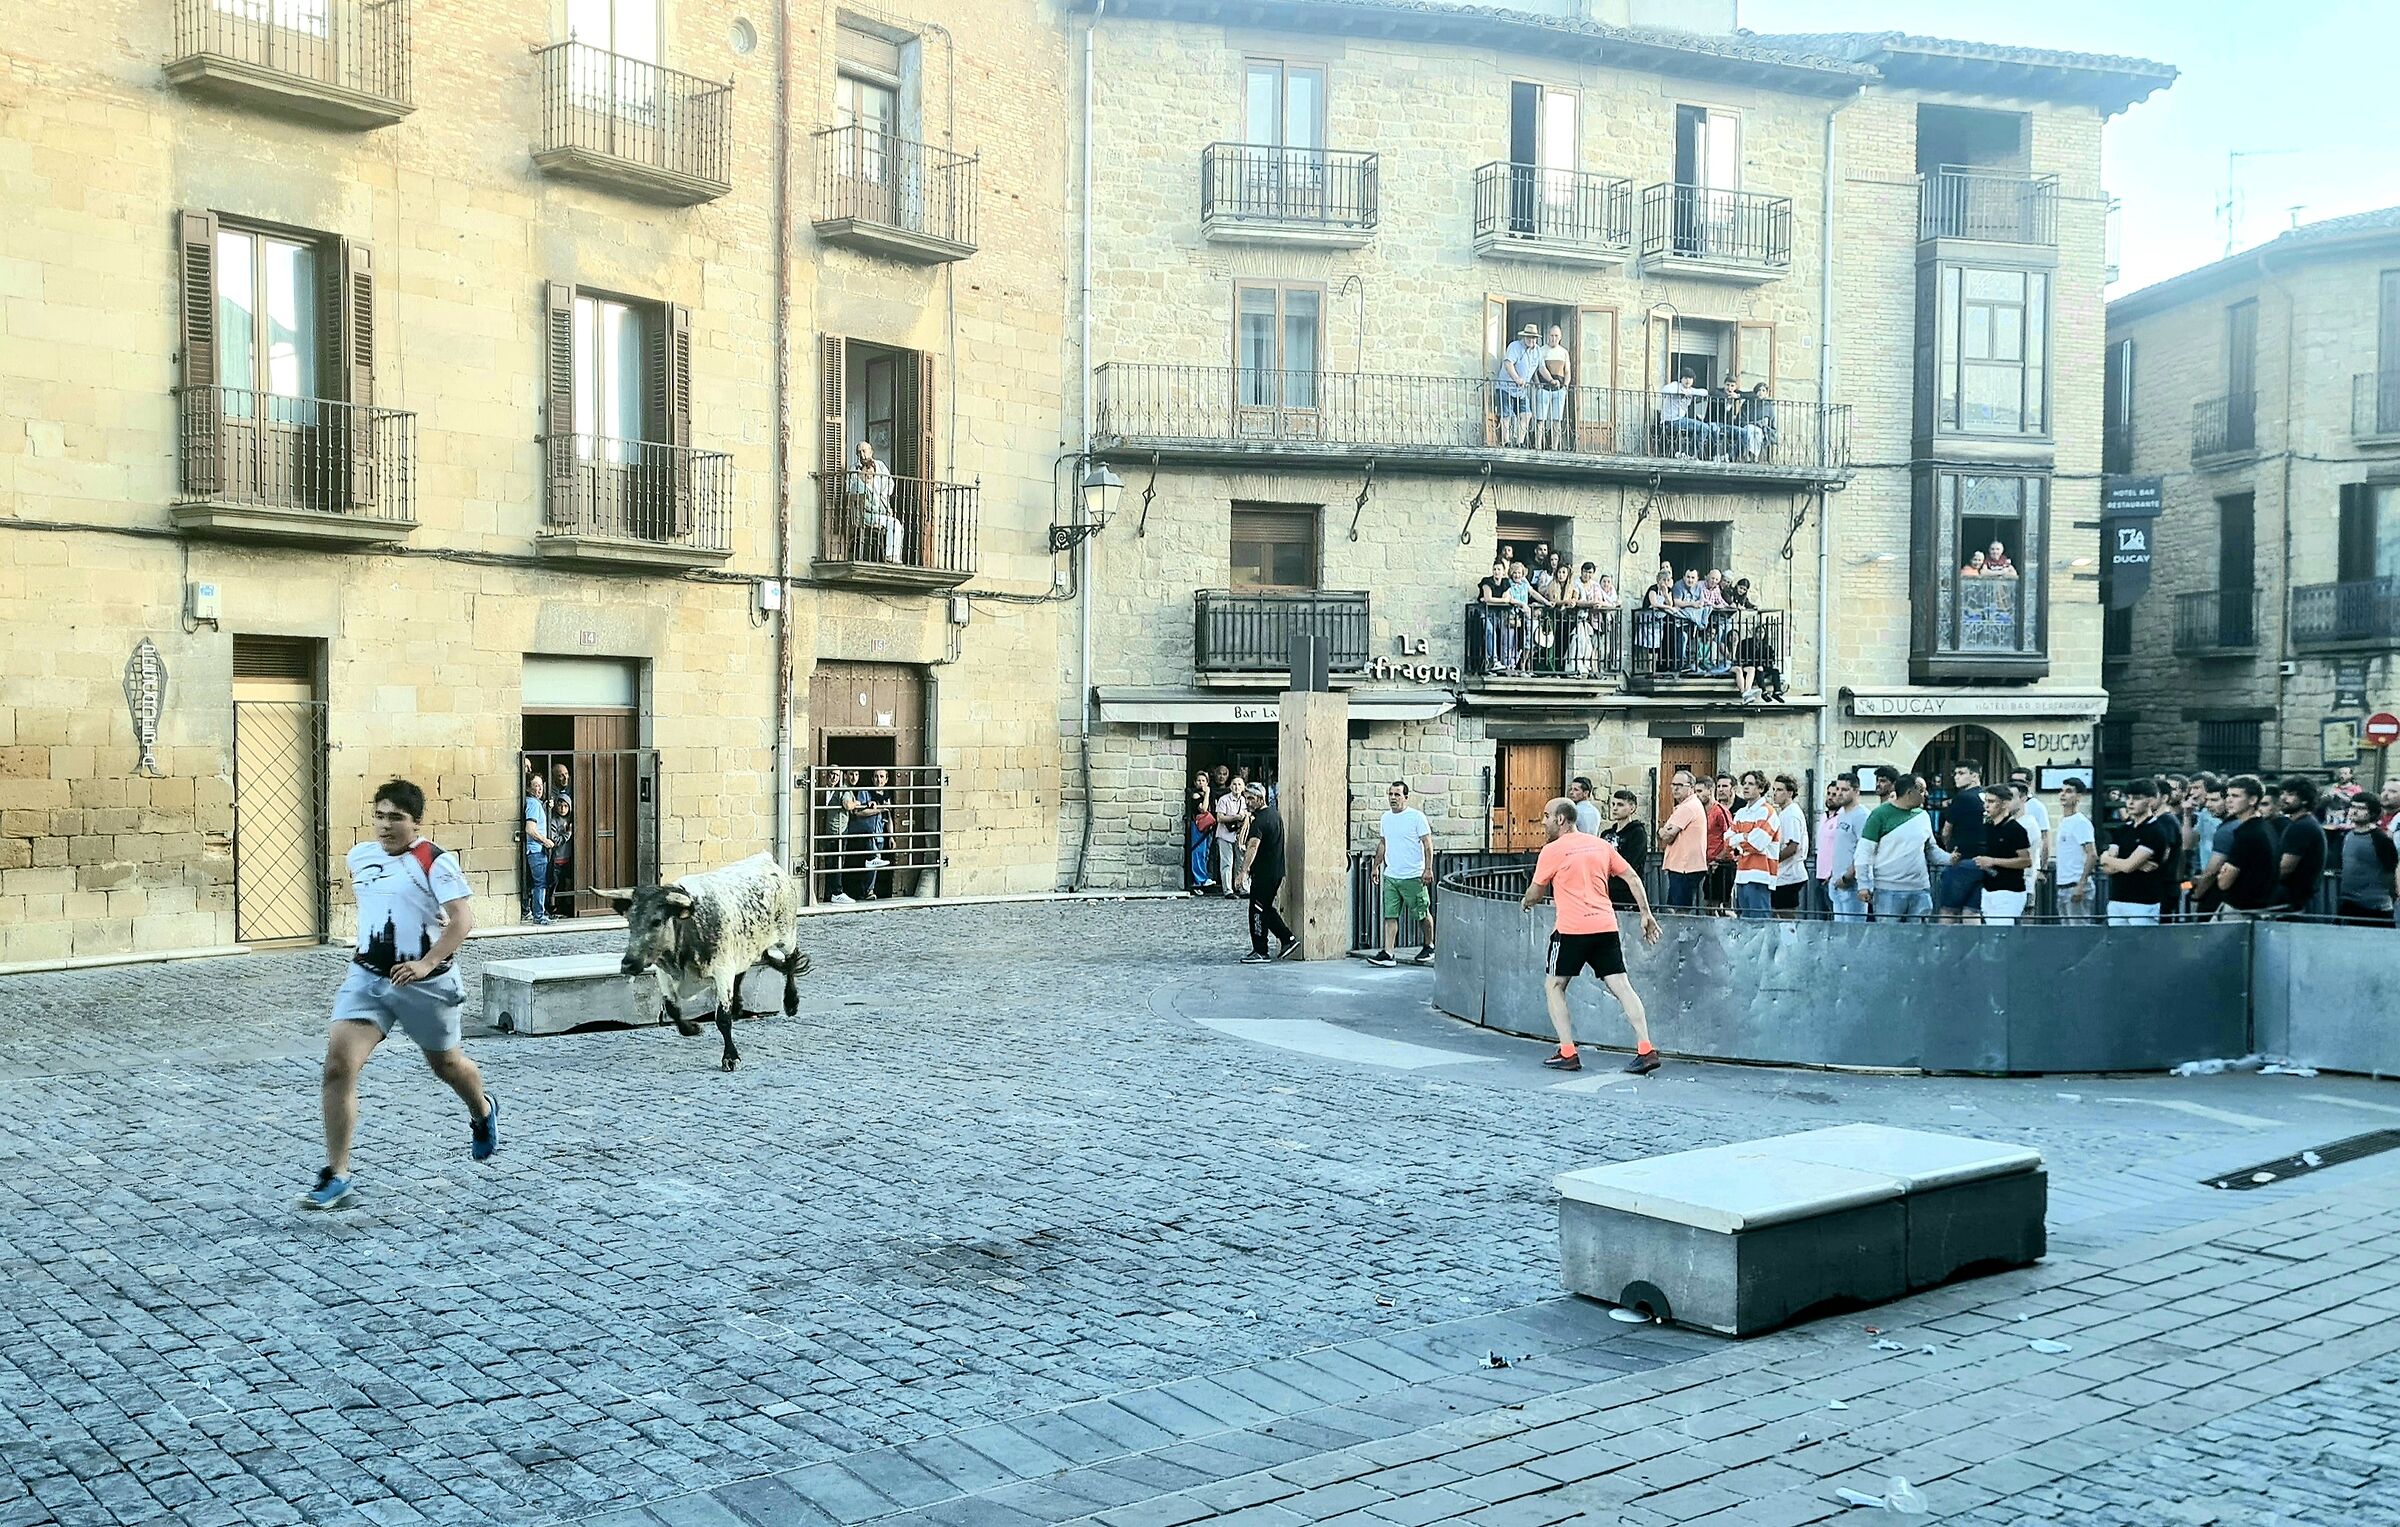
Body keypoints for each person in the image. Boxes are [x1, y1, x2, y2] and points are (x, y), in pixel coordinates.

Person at [308, 779, 496, 1209]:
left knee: (447, 1065)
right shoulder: (360, 856)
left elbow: (462, 920)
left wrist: (425, 963)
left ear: (417, 823)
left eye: (396, 817)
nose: (385, 825)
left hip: (427, 984)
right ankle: (337, 1174)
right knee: (338, 1066)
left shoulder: (435, 860)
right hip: (369, 979)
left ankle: (482, 1111)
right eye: (379, 816)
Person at [1520, 797, 1664, 1075]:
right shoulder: (1601, 845)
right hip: (1605, 926)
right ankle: (1646, 1049)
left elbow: (1536, 892)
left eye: (1547, 816)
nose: (1543, 822)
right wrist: (1645, 913)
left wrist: (1526, 901)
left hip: (1571, 930)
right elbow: (1633, 877)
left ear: (1561, 819)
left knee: (1555, 985)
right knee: (1622, 987)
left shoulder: (1552, 850)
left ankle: (1567, 1052)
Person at [1855, 773, 1939, 922]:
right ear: (1909, 792)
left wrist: (1950, 859)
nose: (1926, 794)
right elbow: (1864, 851)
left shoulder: (1923, 816)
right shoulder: (1879, 815)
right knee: (1889, 934)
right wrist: (1863, 885)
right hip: (1888, 890)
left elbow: (1931, 849)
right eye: (1922, 791)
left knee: (1919, 934)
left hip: (1920, 889)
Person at [1371, 781, 1436, 967]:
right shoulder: (1385, 818)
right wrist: (1376, 866)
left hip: (1413, 875)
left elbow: (1427, 844)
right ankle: (1388, 953)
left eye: (1397, 794)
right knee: (1390, 915)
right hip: (1392, 875)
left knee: (1422, 913)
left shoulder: (1416, 817)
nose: (1393, 798)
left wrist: (1428, 869)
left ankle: (1429, 945)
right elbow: (1383, 843)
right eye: (1390, 794)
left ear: (1406, 797)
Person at [2099, 776, 2178, 925]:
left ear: (2150, 800)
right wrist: (2132, 864)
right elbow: (2107, 869)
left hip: (2143, 903)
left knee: (2142, 940)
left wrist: (2107, 858)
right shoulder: (2122, 830)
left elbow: (2128, 866)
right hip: (2117, 900)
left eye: (2136, 798)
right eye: (2128, 798)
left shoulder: (2155, 830)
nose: (2130, 802)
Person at [1236, 783, 1297, 964]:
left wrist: (1243, 871)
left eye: (1251, 798)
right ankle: (1287, 938)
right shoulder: (1274, 815)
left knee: (1257, 910)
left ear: (1260, 799)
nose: (1247, 802)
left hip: (1265, 873)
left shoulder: (1260, 820)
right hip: (1274, 872)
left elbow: (1252, 846)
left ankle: (1261, 950)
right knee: (1264, 908)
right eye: (1246, 798)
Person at [2213, 775, 2280, 917]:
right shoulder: (2265, 827)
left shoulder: (2248, 833)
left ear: (2253, 800)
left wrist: (2222, 874)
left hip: (2241, 910)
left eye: (2236, 796)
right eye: (2228, 795)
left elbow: (2224, 882)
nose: (2229, 800)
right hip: (2259, 907)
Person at [1936, 763, 1989, 924]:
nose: (1956, 777)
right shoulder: (1988, 797)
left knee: (1948, 910)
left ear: (1975, 776)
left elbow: (1946, 831)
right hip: (1985, 861)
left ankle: (1944, 940)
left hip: (1963, 859)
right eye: (1955, 773)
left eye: (1961, 773)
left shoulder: (1963, 798)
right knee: (1972, 911)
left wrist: (1950, 851)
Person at [2335, 795, 2398, 926]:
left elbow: (2391, 871)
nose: (2354, 811)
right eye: (2353, 807)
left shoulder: (2380, 839)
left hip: (2375, 907)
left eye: (2361, 808)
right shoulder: (2348, 836)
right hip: (2348, 903)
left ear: (2373, 813)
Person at [1976, 784, 2034, 924]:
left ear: (2004, 804)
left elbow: (2026, 861)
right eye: (1986, 801)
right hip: (1988, 888)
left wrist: (1993, 861)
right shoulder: (1987, 828)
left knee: (2002, 929)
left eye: (1991, 802)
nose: (1986, 806)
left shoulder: (2016, 830)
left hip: (2009, 891)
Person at [1728, 771, 1781, 921]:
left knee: (1759, 924)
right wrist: (1745, 837)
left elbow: (1756, 844)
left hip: (1760, 876)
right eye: (1744, 783)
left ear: (1761, 788)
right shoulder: (1741, 813)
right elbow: (1727, 840)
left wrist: (1738, 839)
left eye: (1751, 784)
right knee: (1744, 923)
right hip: (1741, 875)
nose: (1745, 787)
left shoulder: (1768, 812)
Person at [2274, 775, 2329, 915]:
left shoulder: (2302, 827)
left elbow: (2285, 868)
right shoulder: (2300, 824)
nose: (2283, 798)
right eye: (2283, 793)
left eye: (2290, 794)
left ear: (2305, 800)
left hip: (2292, 901)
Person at [1658, 767, 1709, 910]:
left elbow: (1667, 836)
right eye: (1673, 784)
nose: (1675, 788)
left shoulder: (1687, 807)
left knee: (1680, 911)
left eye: (1680, 785)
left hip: (1684, 867)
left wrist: (1660, 830)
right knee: (1678, 908)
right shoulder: (1689, 805)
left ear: (1691, 787)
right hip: (1685, 866)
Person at [847, 439, 903, 564]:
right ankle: (891, 555)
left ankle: (894, 554)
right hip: (866, 514)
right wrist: (882, 509)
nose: (862, 455)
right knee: (894, 524)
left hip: (878, 508)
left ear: (871, 451)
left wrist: (884, 502)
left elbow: (889, 484)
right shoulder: (855, 473)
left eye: (864, 451)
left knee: (896, 525)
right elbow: (854, 494)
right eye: (859, 452)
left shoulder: (880, 465)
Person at [1823, 776, 1869, 922]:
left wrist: (1848, 876)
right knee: (1840, 929)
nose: (1839, 793)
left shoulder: (1861, 815)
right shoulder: (1842, 814)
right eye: (1838, 789)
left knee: (1853, 929)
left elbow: (1865, 849)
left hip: (1852, 883)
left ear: (1856, 791)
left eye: (1844, 789)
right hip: (1837, 880)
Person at [2053, 777, 2097, 923]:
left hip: (2076, 883)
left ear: (2078, 796)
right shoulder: (2063, 821)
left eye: (2068, 791)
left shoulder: (2081, 822)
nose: (2063, 794)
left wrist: (2081, 884)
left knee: (2078, 930)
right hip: (2063, 885)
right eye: (2061, 791)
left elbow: (2092, 854)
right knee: (2067, 930)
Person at [1599, 789, 1651, 911]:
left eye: (1620, 805)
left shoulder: (1637, 833)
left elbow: (1632, 862)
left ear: (1632, 808)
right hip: (1607, 889)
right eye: (1613, 804)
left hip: (1627, 891)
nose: (1615, 808)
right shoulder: (1606, 834)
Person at [2005, 768, 2051, 904]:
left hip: (2025, 875)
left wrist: (2043, 868)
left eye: (2020, 781)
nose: (2015, 784)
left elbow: (2045, 837)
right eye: (2012, 781)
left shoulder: (2036, 808)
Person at [1768, 773, 1809, 918]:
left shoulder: (1791, 814)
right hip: (1783, 874)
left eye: (1779, 790)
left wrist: (1773, 861)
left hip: (1788, 874)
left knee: (1785, 915)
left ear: (1790, 793)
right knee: (1777, 913)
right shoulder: (1785, 812)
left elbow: (1792, 846)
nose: (1775, 793)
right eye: (1774, 789)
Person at [1496, 322, 1539, 447]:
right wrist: (1517, 378)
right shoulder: (1515, 346)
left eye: (1533, 337)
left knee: (1527, 414)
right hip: (1506, 387)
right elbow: (1508, 364)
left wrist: (1549, 381)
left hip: (1521, 391)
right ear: (1524, 337)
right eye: (1529, 337)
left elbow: (1540, 368)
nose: (1531, 340)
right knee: (1506, 415)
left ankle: (1520, 442)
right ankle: (1506, 442)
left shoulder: (1537, 351)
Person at [521, 772, 555, 926]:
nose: (539, 789)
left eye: (541, 785)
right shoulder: (534, 804)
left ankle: (532, 911)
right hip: (536, 849)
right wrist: (545, 841)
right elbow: (530, 829)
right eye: (536, 786)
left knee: (536, 882)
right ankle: (539, 915)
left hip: (535, 849)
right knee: (540, 883)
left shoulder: (535, 803)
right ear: (528, 788)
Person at [1532, 323, 1572, 450]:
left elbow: (1567, 371)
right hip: (1544, 388)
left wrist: (1565, 386)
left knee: (1557, 420)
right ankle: (1538, 446)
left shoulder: (1564, 352)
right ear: (1548, 336)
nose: (1553, 338)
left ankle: (1555, 447)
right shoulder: (1542, 350)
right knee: (1540, 419)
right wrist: (1538, 384)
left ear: (1560, 337)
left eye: (1556, 336)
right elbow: (1536, 369)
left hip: (1559, 390)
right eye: (1551, 335)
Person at [545, 763, 575, 920]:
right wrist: (567, 834)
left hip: (567, 857)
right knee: (554, 884)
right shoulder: (553, 819)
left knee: (566, 882)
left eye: (567, 774)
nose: (565, 778)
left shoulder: (571, 790)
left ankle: (566, 906)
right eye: (561, 775)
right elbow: (554, 838)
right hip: (556, 857)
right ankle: (552, 908)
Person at [1704, 773, 1737, 915]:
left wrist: (1719, 859)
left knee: (1720, 904)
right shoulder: (1710, 809)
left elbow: (1730, 837)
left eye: (1725, 786)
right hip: (1711, 862)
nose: (1721, 789)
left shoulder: (1722, 811)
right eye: (1719, 786)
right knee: (1710, 902)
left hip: (1724, 863)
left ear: (1733, 788)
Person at [1214, 771, 1248, 898]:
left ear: (1243, 787)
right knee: (1227, 863)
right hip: (1225, 835)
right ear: (1230, 786)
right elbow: (1219, 818)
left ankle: (1242, 887)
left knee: (1241, 862)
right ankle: (1228, 890)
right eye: (1234, 784)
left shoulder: (1244, 800)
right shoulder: (1224, 800)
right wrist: (1236, 817)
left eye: (1239, 784)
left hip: (1239, 836)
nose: (1237, 787)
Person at [1186, 770, 1216, 894]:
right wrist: (1207, 793)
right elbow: (1203, 809)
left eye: (1203, 780)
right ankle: (1199, 879)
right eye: (1199, 780)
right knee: (1197, 852)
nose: (1201, 783)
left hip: (1207, 828)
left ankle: (1201, 880)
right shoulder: (1196, 795)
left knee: (1204, 853)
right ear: (1195, 782)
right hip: (1198, 827)